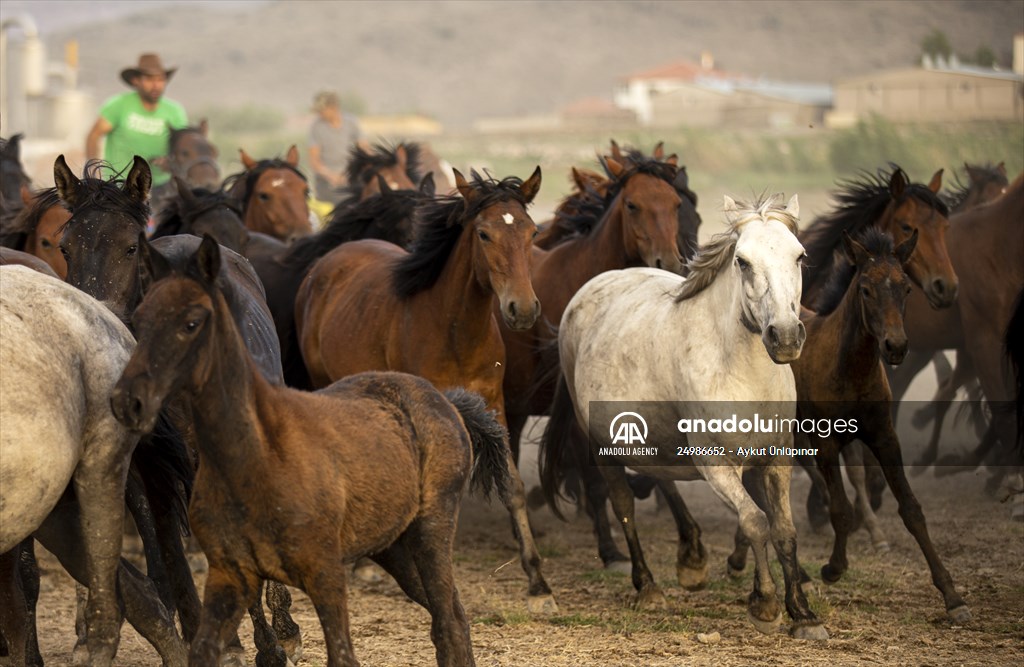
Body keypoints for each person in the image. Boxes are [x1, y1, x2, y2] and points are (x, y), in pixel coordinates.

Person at [85, 53, 187, 188]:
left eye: (160, 80)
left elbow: (184, 146)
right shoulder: (119, 105)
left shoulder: (175, 111)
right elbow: (94, 135)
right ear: (136, 80)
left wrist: (170, 162)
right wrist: (93, 174)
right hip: (120, 184)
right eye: (150, 79)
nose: (156, 85)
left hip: (160, 186)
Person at [307, 90, 364, 206]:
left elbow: (364, 148)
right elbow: (314, 161)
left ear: (333, 107)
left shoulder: (351, 122)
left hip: (350, 176)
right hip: (327, 181)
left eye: (321, 110)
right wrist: (332, 176)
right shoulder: (316, 127)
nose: (319, 114)